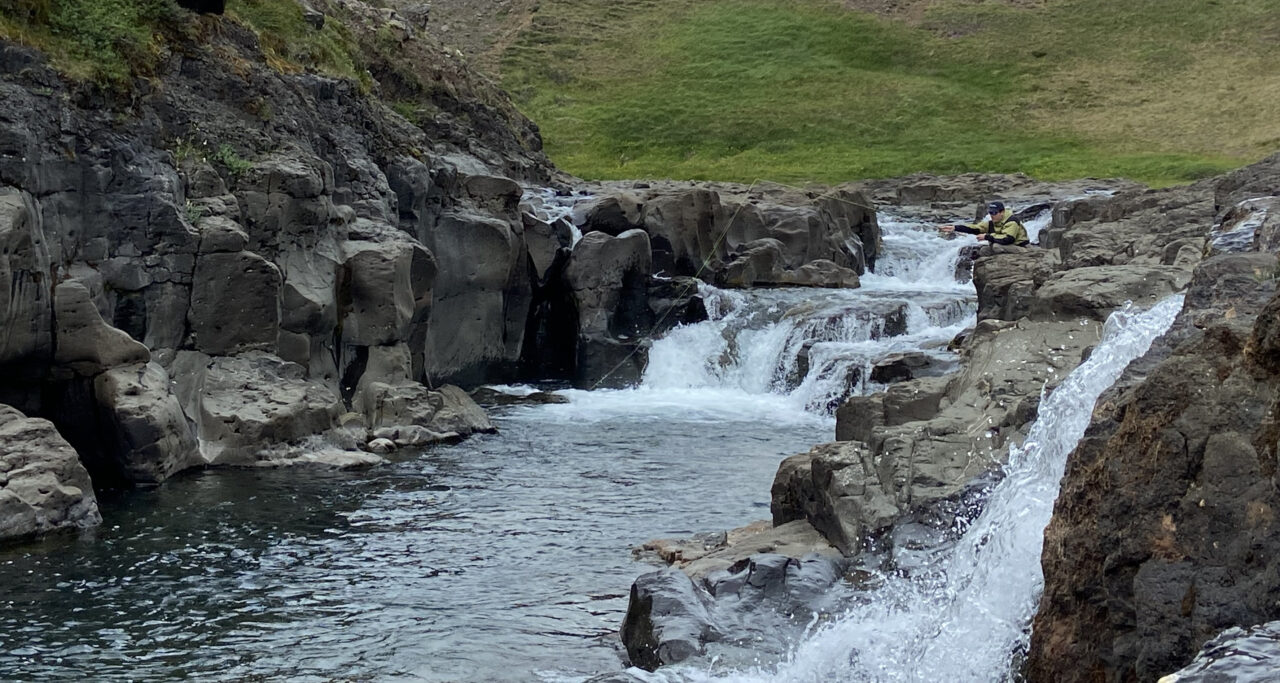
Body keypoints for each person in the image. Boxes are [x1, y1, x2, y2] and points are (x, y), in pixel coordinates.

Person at [938, 201, 1030, 254]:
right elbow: (975, 228)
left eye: (994, 213)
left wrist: (987, 236)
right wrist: (955, 228)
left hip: (1021, 247)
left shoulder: (1012, 221)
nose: (992, 215)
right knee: (983, 251)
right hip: (1007, 246)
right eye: (990, 213)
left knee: (996, 246)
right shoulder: (993, 222)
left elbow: (1008, 239)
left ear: (1002, 212)